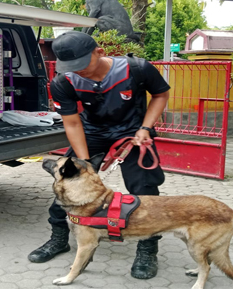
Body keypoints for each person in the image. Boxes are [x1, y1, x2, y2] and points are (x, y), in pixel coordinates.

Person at [28, 31, 170, 280]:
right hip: (92, 131)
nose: (78, 71)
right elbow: (72, 124)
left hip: (132, 131)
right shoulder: (64, 82)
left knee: (145, 189)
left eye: (82, 65)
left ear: (99, 52)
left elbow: (160, 95)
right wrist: (83, 165)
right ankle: (59, 239)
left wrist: (146, 127)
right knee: (69, 184)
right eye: (71, 67)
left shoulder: (137, 68)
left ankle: (148, 248)